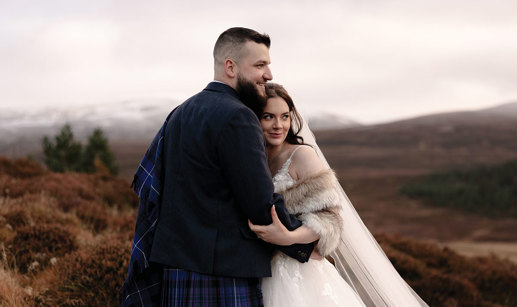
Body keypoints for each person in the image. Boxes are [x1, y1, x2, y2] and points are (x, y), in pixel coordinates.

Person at [121, 27, 316, 306]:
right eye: (260, 65)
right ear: (230, 67)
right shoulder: (239, 117)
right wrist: (304, 242)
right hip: (223, 273)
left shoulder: (180, 112)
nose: (269, 75)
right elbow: (260, 203)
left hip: (177, 269)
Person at [249, 83, 429, 307]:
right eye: (268, 117)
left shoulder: (301, 156)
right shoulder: (254, 158)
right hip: (260, 270)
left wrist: (288, 237)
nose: (278, 125)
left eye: (285, 117)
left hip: (298, 272)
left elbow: (330, 220)